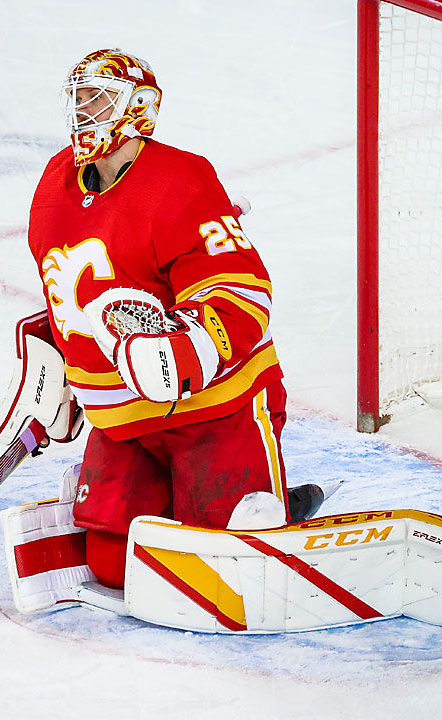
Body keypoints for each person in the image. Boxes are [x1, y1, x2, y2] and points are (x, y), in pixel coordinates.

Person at [24, 48, 289, 590]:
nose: (85, 111)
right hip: (125, 422)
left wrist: (189, 346)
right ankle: (166, 503)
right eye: (80, 99)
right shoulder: (55, 182)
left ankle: (256, 505)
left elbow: (242, 291)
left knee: (227, 563)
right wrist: (60, 373)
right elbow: (63, 295)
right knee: (110, 567)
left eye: (100, 98)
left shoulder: (180, 179)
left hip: (213, 413)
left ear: (140, 107)